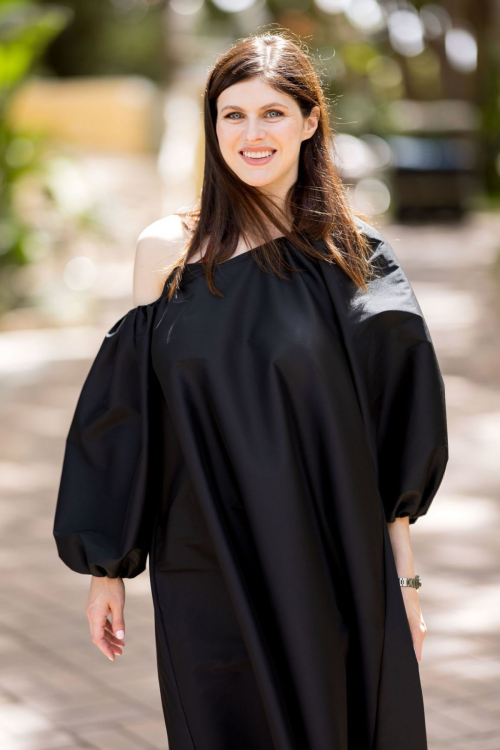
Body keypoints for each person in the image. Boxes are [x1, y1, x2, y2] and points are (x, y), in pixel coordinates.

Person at [53, 31, 449, 750]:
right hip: (205, 558)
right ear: (212, 128)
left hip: (329, 556)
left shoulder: (356, 259)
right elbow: (132, 417)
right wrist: (106, 567)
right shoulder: (165, 251)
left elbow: (392, 435)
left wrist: (406, 584)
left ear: (309, 121)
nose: (251, 133)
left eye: (272, 113)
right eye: (232, 115)